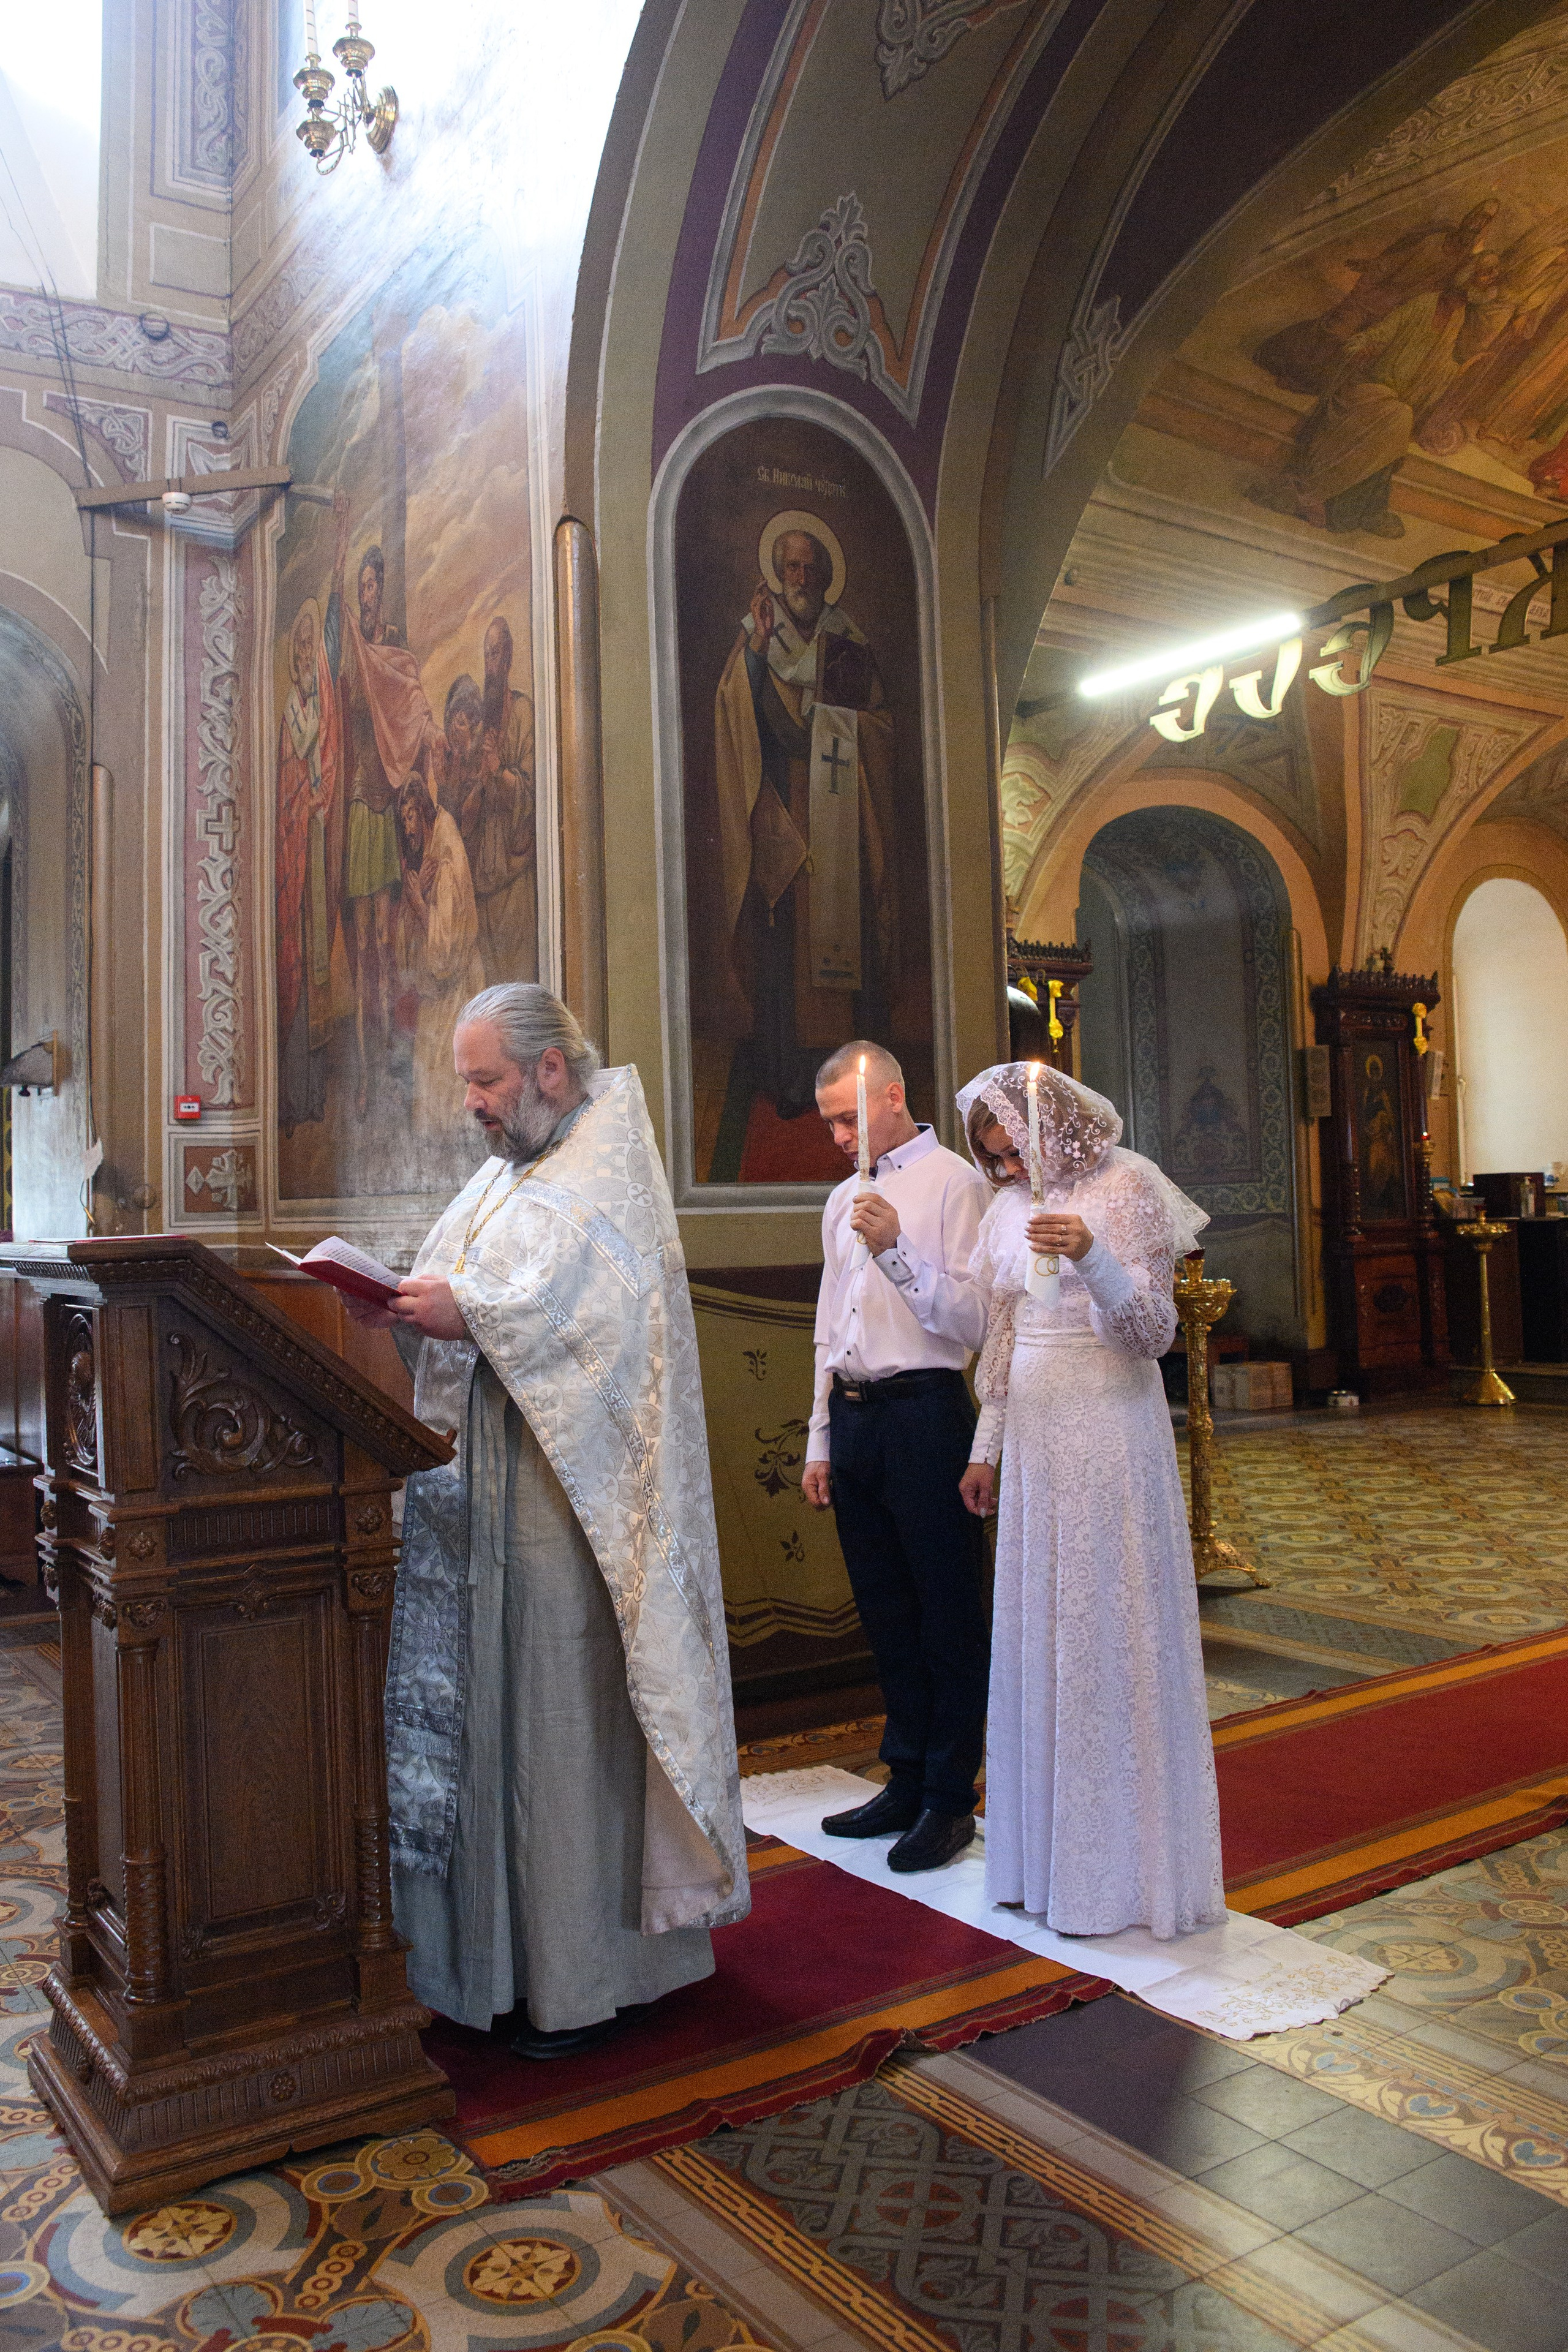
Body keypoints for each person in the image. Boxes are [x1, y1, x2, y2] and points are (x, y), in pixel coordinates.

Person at [366, 982, 749, 2057]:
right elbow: (467, 1290)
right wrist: (405, 1303)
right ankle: (484, 1959)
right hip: (477, 1498)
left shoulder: (602, 1171)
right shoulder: (509, 1174)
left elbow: (603, 1322)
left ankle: (576, 1976)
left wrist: (472, 1312)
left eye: (486, 1081)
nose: (474, 1105)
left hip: (561, 1511)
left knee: (554, 1725)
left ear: (547, 1069)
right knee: (495, 1721)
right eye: (468, 1084)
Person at [956, 1062, 1225, 1939]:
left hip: (1110, 1432)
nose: (1007, 1169)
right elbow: (1001, 1344)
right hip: (1034, 1439)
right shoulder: (1005, 1210)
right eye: (994, 1157)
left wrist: (1093, 1256)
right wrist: (984, 1450)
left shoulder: (1129, 1185)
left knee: (1108, 1639)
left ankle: (1121, 1873)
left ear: (1051, 1127)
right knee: (1043, 1636)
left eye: (1013, 1148)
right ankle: (1042, 1867)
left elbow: (1152, 1334)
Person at [802, 1039, 991, 1872]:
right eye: (830, 1124)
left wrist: (896, 1252)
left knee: (947, 1613)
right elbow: (827, 1326)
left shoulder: (955, 1181)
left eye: (849, 1117)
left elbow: (976, 1323)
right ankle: (904, 1777)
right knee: (886, 1612)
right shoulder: (843, 1195)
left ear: (892, 1096)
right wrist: (819, 1438)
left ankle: (951, 1798)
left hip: (926, 1414)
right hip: (857, 1421)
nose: (841, 1137)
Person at [712, 521, 897, 1116]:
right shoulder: (756, 637)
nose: (802, 578)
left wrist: (843, 727)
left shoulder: (848, 641)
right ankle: (790, 1071)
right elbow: (737, 713)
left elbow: (880, 722)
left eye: (811, 568)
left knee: (850, 927)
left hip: (840, 805)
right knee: (784, 936)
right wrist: (761, 654)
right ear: (778, 573)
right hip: (786, 808)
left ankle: (857, 1074)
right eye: (791, 567)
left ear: (824, 577)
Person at [393, 773, 485, 1139]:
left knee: (448, 1099)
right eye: (404, 821)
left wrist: (417, 902)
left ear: (426, 815)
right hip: (439, 996)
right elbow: (407, 951)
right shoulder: (429, 858)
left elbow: (445, 956)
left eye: (412, 818)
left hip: (456, 994)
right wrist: (416, 896)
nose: (409, 829)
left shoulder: (446, 859)